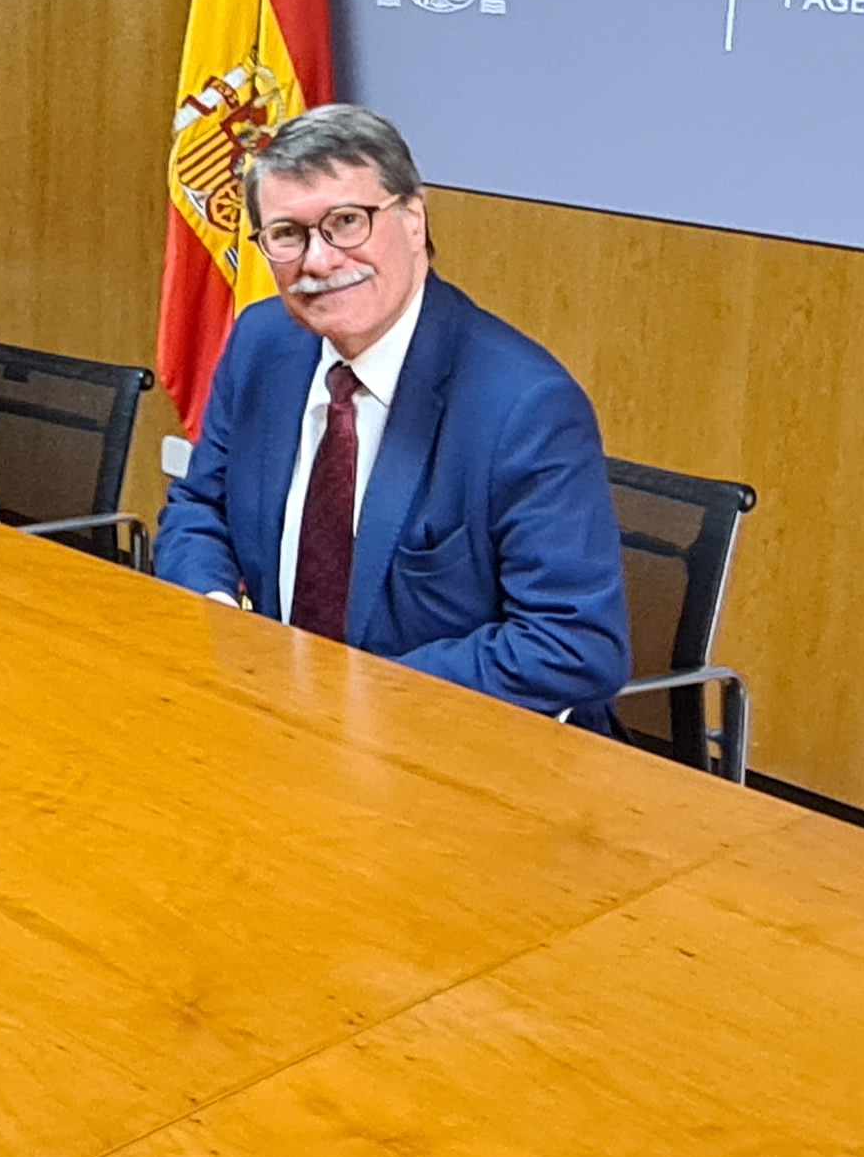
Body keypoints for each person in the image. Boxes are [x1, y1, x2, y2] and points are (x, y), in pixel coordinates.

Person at [153, 104, 632, 722]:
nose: (319, 260)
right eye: (287, 234)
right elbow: (201, 507)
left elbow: (574, 644)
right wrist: (217, 613)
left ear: (412, 219)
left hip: (455, 747)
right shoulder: (263, 342)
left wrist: (347, 694)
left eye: (347, 222)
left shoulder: (524, 406)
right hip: (273, 724)